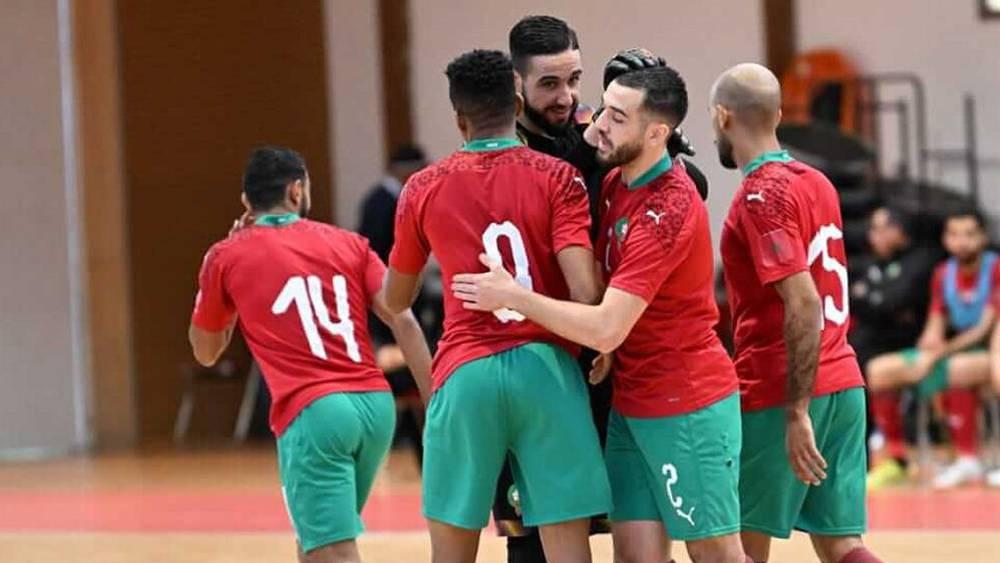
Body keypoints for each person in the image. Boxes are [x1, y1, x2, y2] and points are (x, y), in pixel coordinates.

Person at [453, 66, 747, 563]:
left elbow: (609, 321)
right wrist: (610, 350)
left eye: (615, 117)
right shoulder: (614, 184)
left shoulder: (669, 207)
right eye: (603, 109)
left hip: (686, 405)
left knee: (716, 554)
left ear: (656, 133)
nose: (598, 127)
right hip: (632, 405)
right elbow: (610, 299)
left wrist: (514, 296)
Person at [383, 49, 611, 563]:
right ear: (515, 100)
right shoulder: (559, 178)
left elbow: (396, 300)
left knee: (452, 549)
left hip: (465, 373)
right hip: (548, 372)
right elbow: (585, 292)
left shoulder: (421, 186)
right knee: (567, 548)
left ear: (458, 117)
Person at [501, 15, 708, 562]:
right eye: (549, 84)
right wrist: (606, 142)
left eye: (574, 79)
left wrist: (661, 139)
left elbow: (690, 187)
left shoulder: (588, 134)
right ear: (515, 86)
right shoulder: (510, 154)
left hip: (600, 354)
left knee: (626, 532)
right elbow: (558, 180)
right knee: (534, 529)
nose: (567, 96)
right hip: (533, 362)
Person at [188, 146, 433, 563]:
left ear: (247, 202)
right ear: (296, 192)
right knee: (314, 540)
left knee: (332, 548)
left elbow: (207, 352)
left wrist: (220, 286)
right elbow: (404, 320)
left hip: (315, 412)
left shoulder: (226, 255)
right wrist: (436, 403)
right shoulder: (349, 243)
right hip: (375, 408)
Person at [711, 63, 882, 563]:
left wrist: (796, 410)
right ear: (779, 114)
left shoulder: (759, 195)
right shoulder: (817, 182)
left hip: (781, 388)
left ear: (723, 117)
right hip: (844, 382)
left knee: (740, 542)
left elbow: (803, 301)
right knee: (840, 543)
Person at [867, 208, 998, 489]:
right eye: (954, 234)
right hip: (950, 351)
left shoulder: (995, 268)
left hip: (986, 351)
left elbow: (983, 329)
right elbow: (935, 321)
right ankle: (896, 459)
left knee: (957, 369)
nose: (961, 241)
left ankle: (967, 457)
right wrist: (929, 345)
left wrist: (939, 353)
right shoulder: (942, 273)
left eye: (969, 234)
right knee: (879, 370)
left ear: (983, 238)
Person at [357, 144, 435, 464]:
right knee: (400, 362)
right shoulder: (381, 202)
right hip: (385, 294)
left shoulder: (391, 198)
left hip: (398, 291)